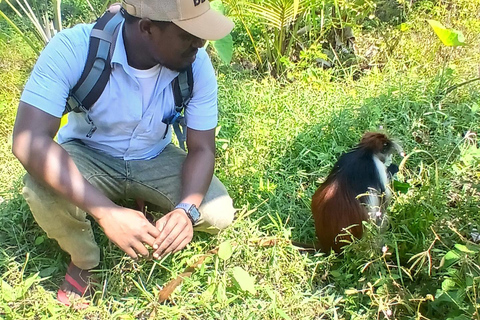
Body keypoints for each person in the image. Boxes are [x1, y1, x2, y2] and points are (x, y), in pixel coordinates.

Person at [12, 0, 235, 307]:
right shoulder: (74, 49)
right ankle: (84, 259)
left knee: (217, 213)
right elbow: (29, 140)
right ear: (147, 29)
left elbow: (202, 148)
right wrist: (106, 212)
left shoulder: (196, 65)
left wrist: (187, 209)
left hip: (153, 155)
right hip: (88, 154)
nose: (200, 43)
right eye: (188, 35)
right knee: (40, 188)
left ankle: (148, 206)